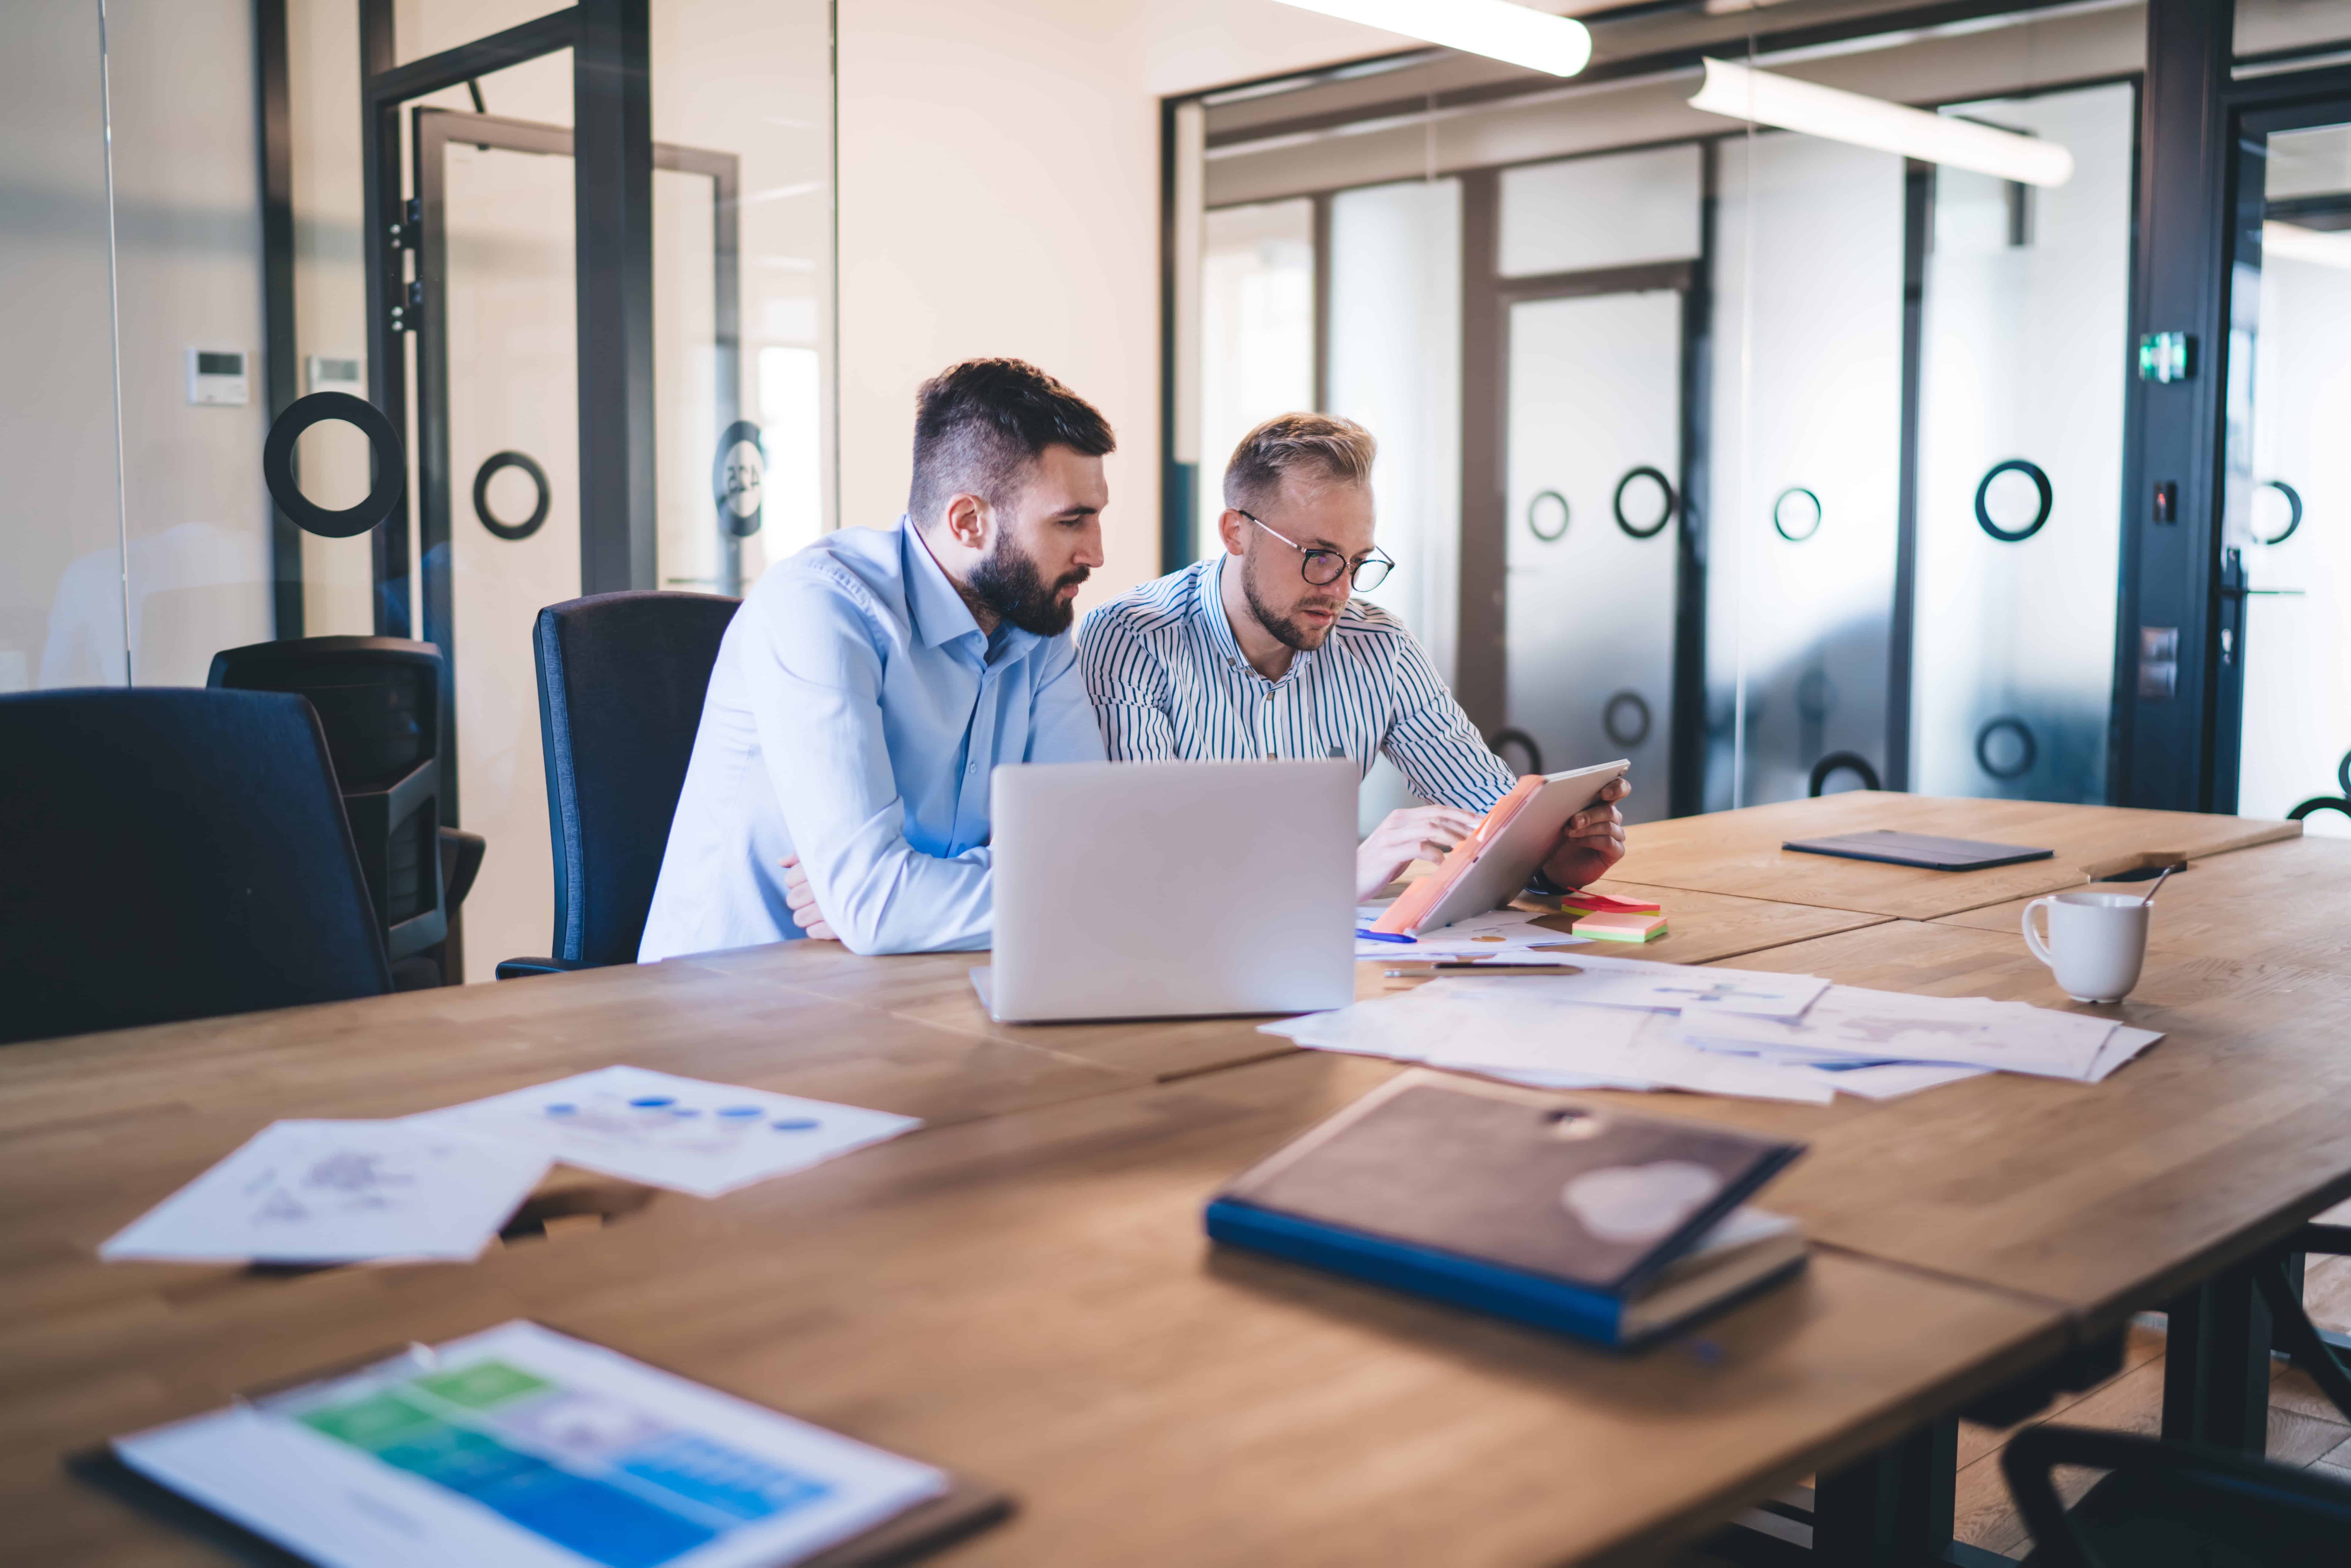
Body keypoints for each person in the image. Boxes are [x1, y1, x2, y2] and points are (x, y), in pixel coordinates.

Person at [638, 358, 1113, 959]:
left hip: (918, 986)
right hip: (731, 1005)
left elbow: (1094, 855)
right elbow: (878, 907)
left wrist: (910, 898)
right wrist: (889, 901)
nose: (1096, 553)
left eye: (1096, 516)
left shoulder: (1037, 625)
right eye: (1071, 522)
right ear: (968, 523)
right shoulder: (820, 608)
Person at [1079, 412, 1628, 901]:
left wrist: (1553, 860)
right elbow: (1148, 869)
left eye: (1358, 561)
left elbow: (1491, 815)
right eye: (1318, 557)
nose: (1340, 590)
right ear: (1236, 532)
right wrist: (1344, 872)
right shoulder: (1133, 640)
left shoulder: (1378, 645)